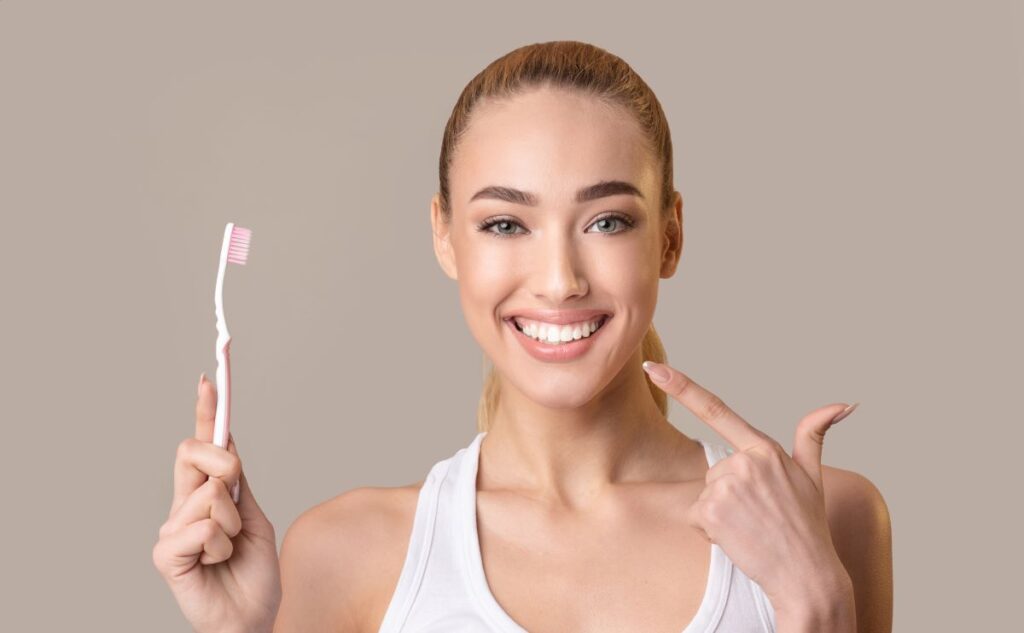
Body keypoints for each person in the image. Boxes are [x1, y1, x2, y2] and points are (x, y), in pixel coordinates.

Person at [153, 40, 893, 633]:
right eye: (505, 224)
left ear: (670, 236)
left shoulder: (827, 517)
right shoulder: (342, 554)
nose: (560, 279)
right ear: (445, 237)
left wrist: (819, 609)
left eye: (608, 221)